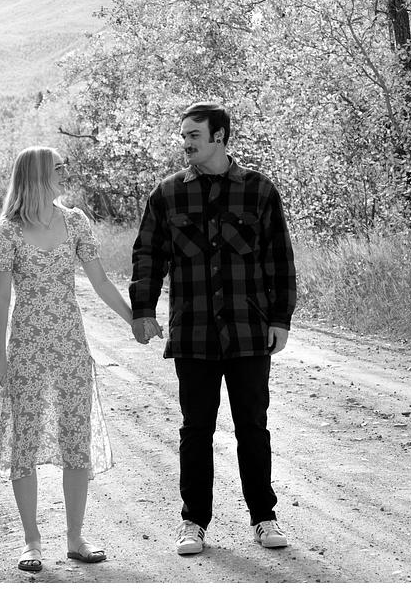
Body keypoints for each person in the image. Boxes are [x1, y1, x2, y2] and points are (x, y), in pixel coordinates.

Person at [129, 102, 296, 556]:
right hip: (194, 331)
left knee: (253, 428)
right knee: (196, 429)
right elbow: (147, 256)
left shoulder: (259, 191)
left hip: (249, 331)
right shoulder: (167, 194)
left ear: (219, 137)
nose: (185, 143)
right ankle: (193, 521)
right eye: (183, 135)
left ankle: (264, 517)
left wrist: (280, 319)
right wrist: (143, 309)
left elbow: (279, 259)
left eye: (194, 136)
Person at [0, 146, 133, 573]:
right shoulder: (8, 230)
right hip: (26, 349)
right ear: (38, 175)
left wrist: (134, 319)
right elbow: (1, 299)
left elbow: (100, 282)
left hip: (70, 347)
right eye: (58, 168)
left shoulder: (76, 221)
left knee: (75, 441)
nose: (65, 173)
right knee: (24, 444)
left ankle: (75, 538)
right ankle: (31, 541)